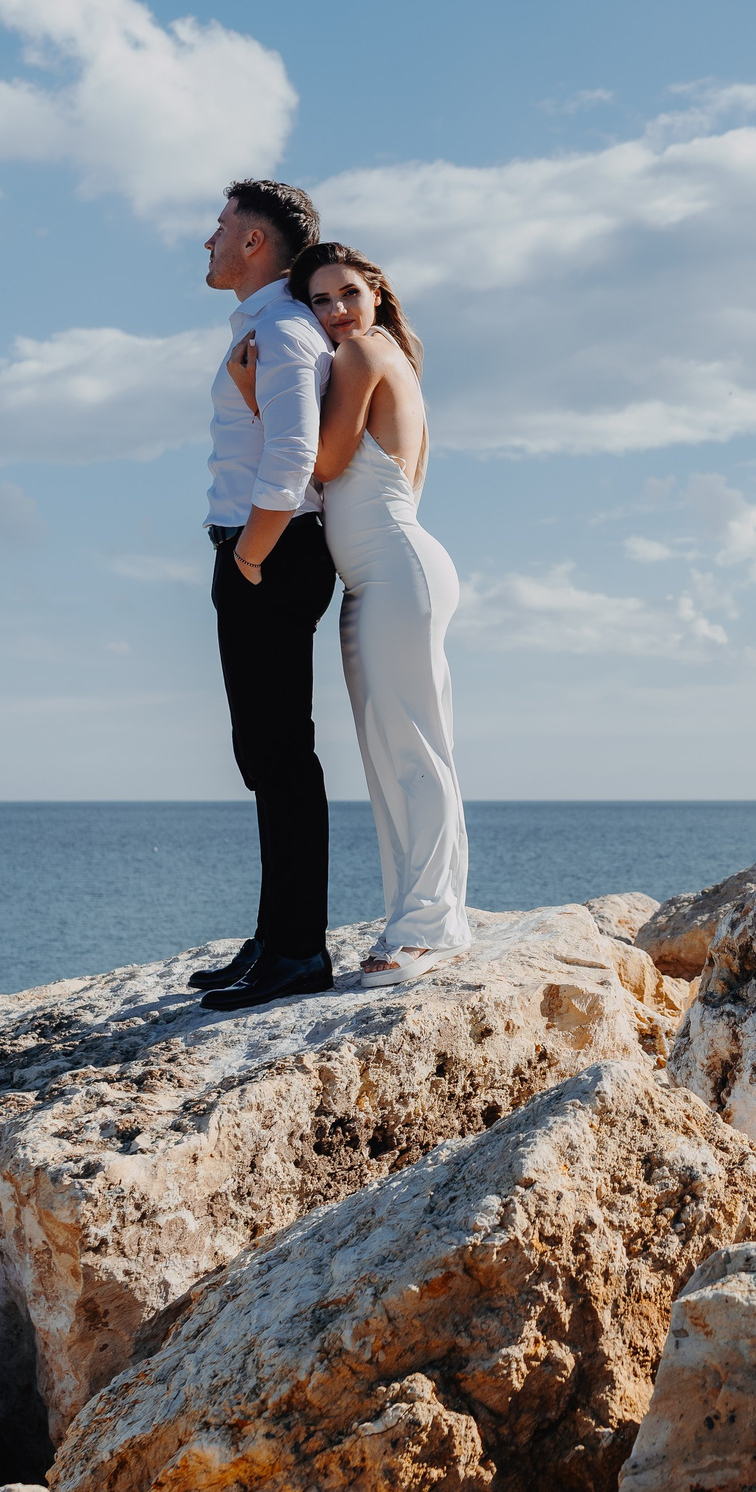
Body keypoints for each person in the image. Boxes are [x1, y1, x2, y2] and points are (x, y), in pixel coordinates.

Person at [292, 241, 472, 986]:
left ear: (375, 295)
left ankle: (433, 925)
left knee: (414, 751)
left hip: (397, 574)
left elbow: (326, 463)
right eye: (319, 301)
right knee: (389, 755)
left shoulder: (363, 353)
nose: (335, 311)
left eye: (347, 294)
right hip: (374, 581)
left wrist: (255, 393)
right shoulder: (381, 353)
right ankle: (415, 913)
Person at [191, 180, 342, 1012]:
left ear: (255, 243)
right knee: (265, 752)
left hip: (272, 552)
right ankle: (274, 934)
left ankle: (297, 949)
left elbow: (293, 454)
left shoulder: (283, 328)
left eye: (219, 227)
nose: (206, 240)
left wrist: (249, 557)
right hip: (263, 550)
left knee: (281, 754)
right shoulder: (268, 325)